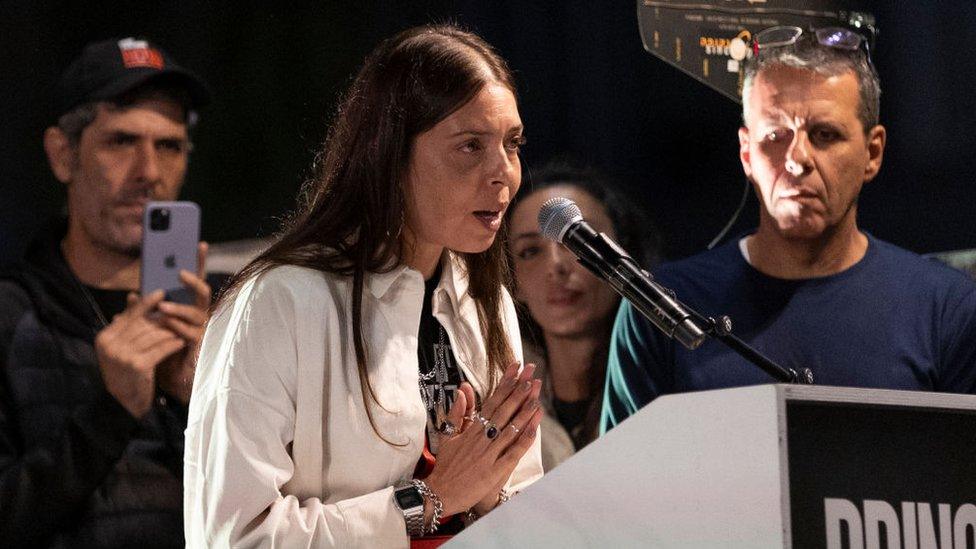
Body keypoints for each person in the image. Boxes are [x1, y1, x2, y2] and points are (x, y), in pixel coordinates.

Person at [184, 25, 544, 548]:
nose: (504, 174)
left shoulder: (485, 304)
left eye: (512, 144)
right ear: (391, 157)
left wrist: (487, 495)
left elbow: (523, 512)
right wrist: (430, 499)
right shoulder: (277, 302)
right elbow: (232, 537)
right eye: (470, 146)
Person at [602, 26, 976, 431]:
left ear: (873, 152)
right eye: (775, 136)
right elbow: (623, 487)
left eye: (825, 135)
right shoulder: (663, 309)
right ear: (747, 153)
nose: (797, 160)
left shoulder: (947, 309)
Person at [0, 38, 213, 547]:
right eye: (120, 142)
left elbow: (281, 508)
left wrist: (200, 402)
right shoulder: (10, 315)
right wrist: (111, 410)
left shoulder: (228, 315)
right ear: (62, 155)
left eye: (169, 146)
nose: (149, 174)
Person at [506, 163, 658, 470]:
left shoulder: (662, 381)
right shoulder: (499, 395)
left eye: (577, 242)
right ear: (513, 281)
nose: (556, 266)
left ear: (624, 255)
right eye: (530, 251)